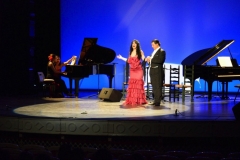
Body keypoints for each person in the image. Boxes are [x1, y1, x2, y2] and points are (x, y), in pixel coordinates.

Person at [117, 39, 147, 105]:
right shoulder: (130, 52)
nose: (133, 44)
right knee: (133, 85)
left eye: (135, 43)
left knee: (138, 85)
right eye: (132, 43)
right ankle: (133, 100)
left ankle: (139, 100)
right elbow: (128, 61)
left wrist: (146, 59)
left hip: (139, 70)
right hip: (132, 70)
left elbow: (143, 58)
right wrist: (121, 58)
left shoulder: (140, 51)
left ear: (137, 45)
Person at [145, 39, 166, 106]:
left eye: (153, 44)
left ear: (157, 44)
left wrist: (151, 59)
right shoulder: (153, 52)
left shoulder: (162, 51)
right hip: (152, 71)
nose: (152, 46)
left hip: (158, 71)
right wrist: (148, 60)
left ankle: (158, 101)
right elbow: (152, 62)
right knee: (154, 86)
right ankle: (155, 100)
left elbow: (160, 60)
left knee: (158, 86)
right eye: (152, 45)